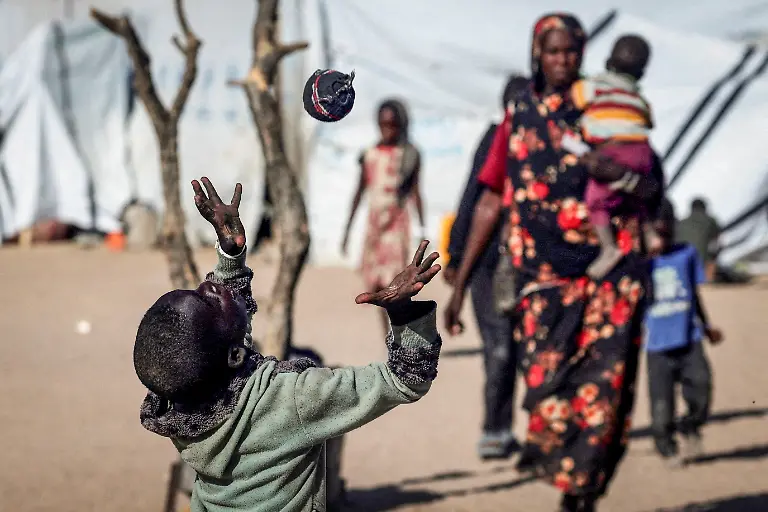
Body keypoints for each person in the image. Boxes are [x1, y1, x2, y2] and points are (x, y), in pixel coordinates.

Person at [444, 13, 662, 512]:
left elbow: (651, 181)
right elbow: (489, 199)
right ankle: (570, 475)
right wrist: (459, 287)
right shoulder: (518, 115)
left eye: (571, 51)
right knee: (545, 387)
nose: (563, 60)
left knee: (603, 391)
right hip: (541, 276)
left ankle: (580, 493)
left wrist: (619, 176)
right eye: (553, 51)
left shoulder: (602, 104)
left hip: (609, 274)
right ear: (536, 54)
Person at [134, 177, 443, 512]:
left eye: (198, 291)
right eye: (209, 301)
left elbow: (225, 340)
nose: (208, 286)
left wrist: (230, 254)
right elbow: (405, 380)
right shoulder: (291, 398)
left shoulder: (180, 406)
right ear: (235, 355)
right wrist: (403, 313)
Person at [445, 73, 529, 460]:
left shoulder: (542, 143)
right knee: (500, 349)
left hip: (527, 265)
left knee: (519, 349)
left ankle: (512, 430)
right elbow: (475, 199)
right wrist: (456, 255)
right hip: (488, 263)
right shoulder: (497, 139)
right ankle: (494, 432)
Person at [570, 34, 662, 279]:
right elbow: (649, 121)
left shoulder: (594, 86)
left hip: (613, 149)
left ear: (608, 61)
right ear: (641, 73)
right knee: (634, 193)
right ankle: (649, 231)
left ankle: (609, 248)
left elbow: (576, 97)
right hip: (642, 151)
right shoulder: (638, 97)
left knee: (596, 200)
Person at [645, 199, 723, 466]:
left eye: (665, 232)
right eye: (656, 232)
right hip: (657, 346)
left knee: (702, 389)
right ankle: (667, 448)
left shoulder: (686, 254)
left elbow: (694, 295)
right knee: (661, 408)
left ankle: (690, 425)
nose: (661, 239)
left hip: (690, 339)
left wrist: (707, 325)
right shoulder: (640, 264)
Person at [341, 99, 426, 334]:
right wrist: (347, 230)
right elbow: (359, 192)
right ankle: (388, 336)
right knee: (378, 288)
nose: (387, 130)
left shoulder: (408, 155)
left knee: (395, 284)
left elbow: (416, 192)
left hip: (396, 226)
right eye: (383, 125)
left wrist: (422, 228)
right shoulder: (369, 155)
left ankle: (400, 332)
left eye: (392, 125)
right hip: (375, 227)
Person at [676, 197, 721, 282]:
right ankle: (708, 280)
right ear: (704, 208)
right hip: (701, 261)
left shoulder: (681, 222)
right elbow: (717, 240)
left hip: (680, 260)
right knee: (715, 248)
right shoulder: (710, 220)